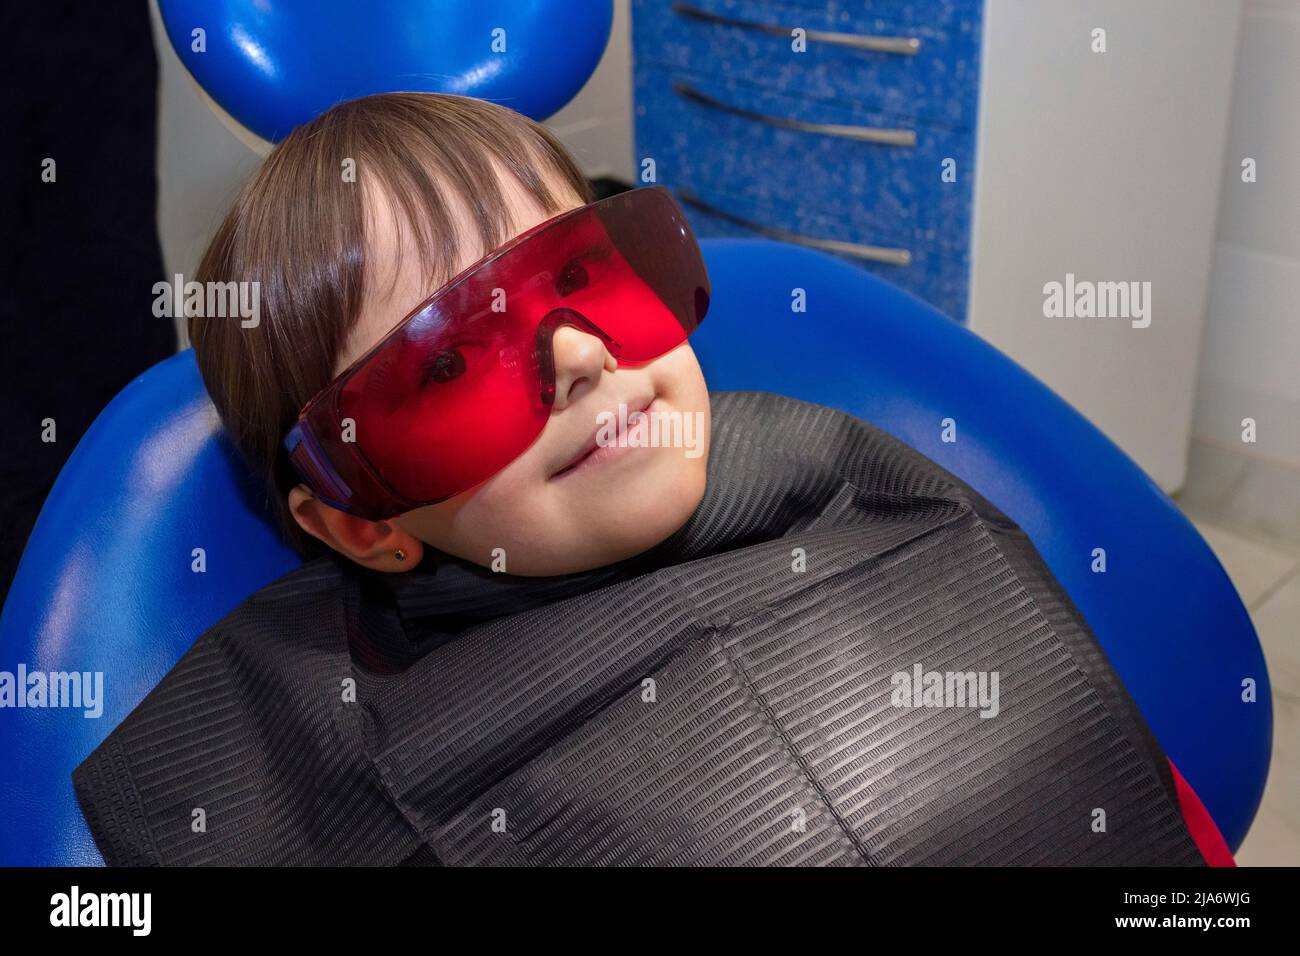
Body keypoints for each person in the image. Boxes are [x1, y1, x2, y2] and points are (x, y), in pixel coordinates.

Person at [72, 92, 1227, 866]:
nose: (581, 356)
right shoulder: (298, 766)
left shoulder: (863, 478)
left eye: (583, 272)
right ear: (361, 524)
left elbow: (1115, 773)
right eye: (450, 364)